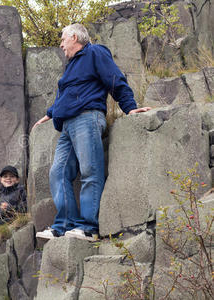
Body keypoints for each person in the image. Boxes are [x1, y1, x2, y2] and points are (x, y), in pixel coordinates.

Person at [33, 24, 151, 241]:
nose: (60, 45)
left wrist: (130, 107)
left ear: (75, 37)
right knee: (57, 173)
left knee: (90, 170)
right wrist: (50, 113)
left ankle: (88, 227)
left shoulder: (95, 52)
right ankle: (64, 225)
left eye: (62, 39)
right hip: (67, 125)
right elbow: (68, 93)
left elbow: (114, 79)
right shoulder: (71, 66)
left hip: (87, 117)